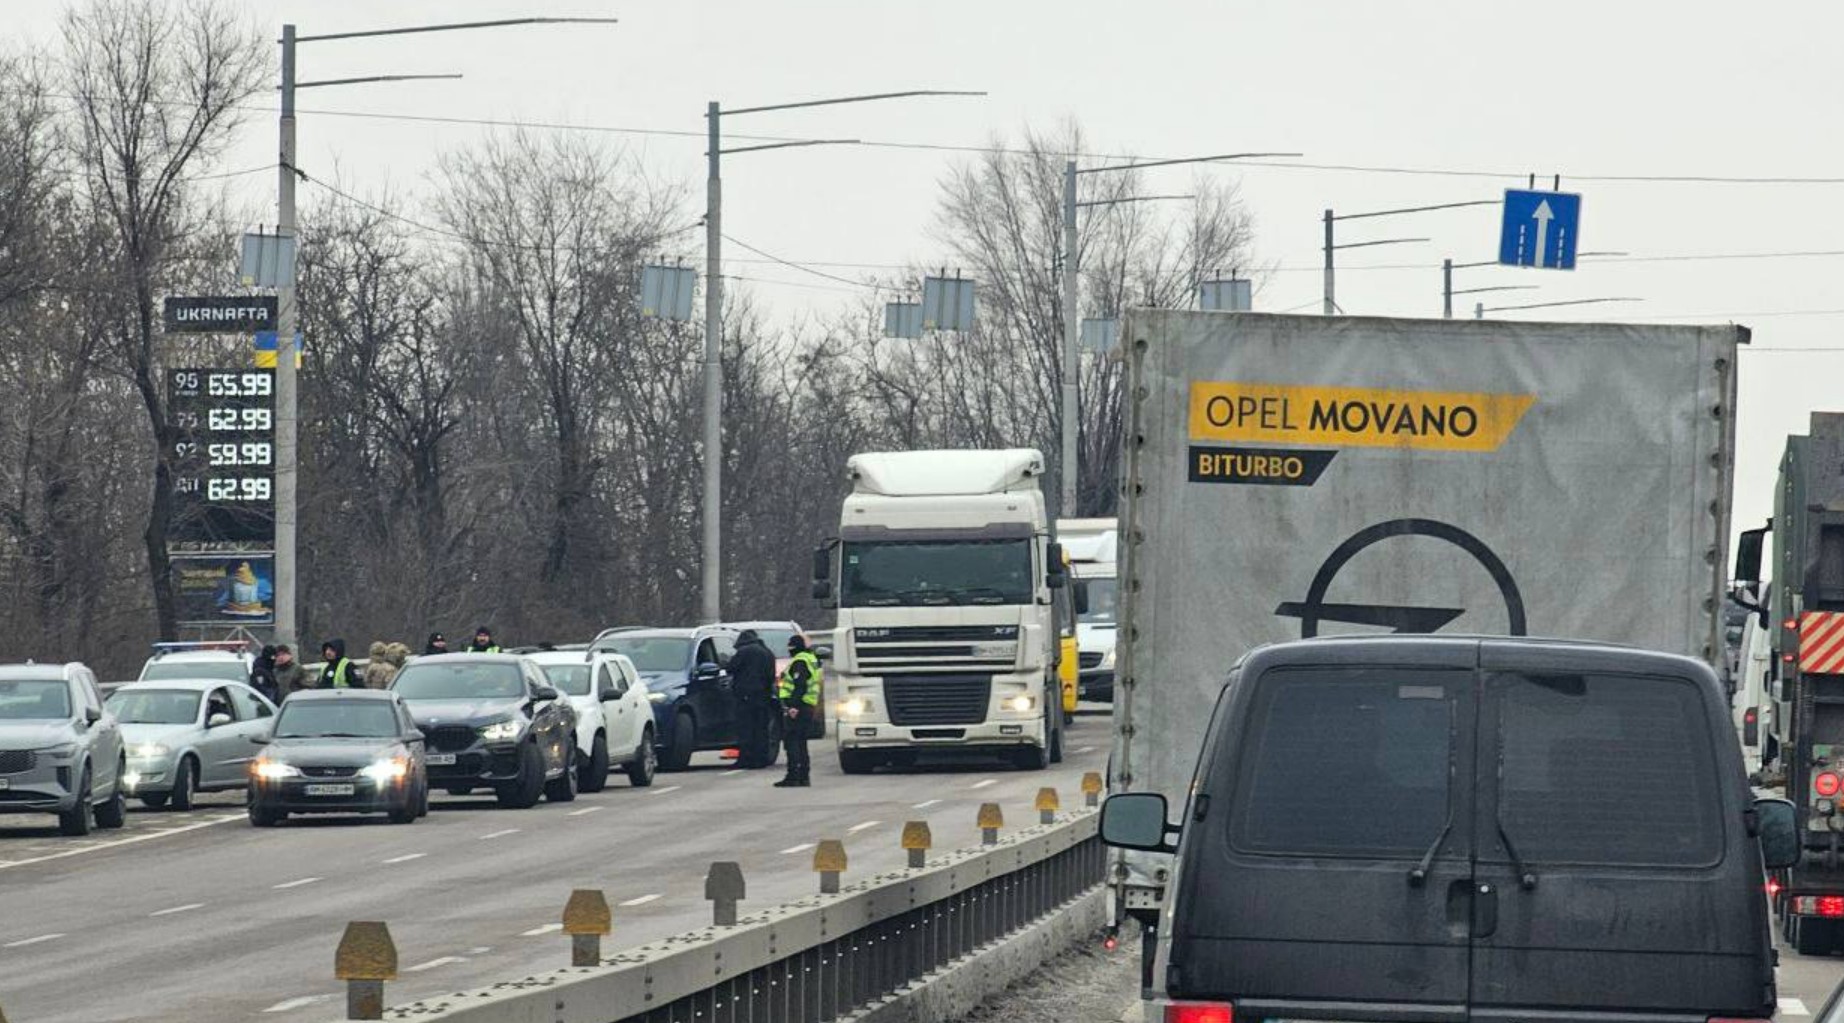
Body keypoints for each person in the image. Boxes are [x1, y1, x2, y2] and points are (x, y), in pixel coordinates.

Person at [774, 634, 822, 788]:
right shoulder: (811, 659)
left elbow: (800, 685)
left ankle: (793, 776)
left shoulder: (800, 661)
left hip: (799, 707)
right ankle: (803, 776)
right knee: (801, 742)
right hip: (807, 705)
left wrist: (793, 706)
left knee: (792, 742)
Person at [728, 630, 777, 769]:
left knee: (746, 728)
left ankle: (746, 759)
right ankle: (761, 758)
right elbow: (771, 675)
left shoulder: (744, 651)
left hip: (745, 695)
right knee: (761, 728)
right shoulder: (767, 652)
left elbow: (731, 668)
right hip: (763, 695)